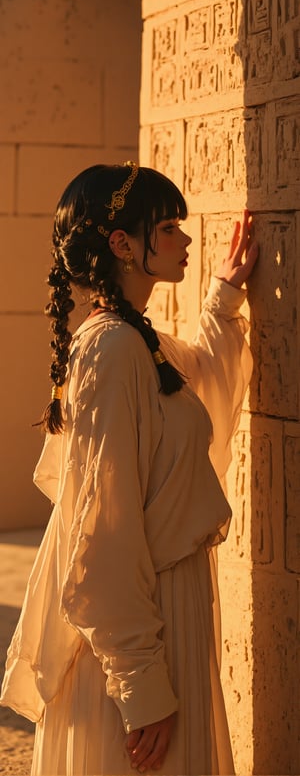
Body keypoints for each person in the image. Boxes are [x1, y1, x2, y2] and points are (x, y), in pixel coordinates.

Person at [0, 162, 258, 776]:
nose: (186, 240)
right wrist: (140, 686)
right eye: (168, 227)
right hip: (136, 634)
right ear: (121, 244)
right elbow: (100, 535)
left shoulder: (139, 343)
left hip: (163, 613)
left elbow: (203, 387)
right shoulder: (114, 349)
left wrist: (223, 298)